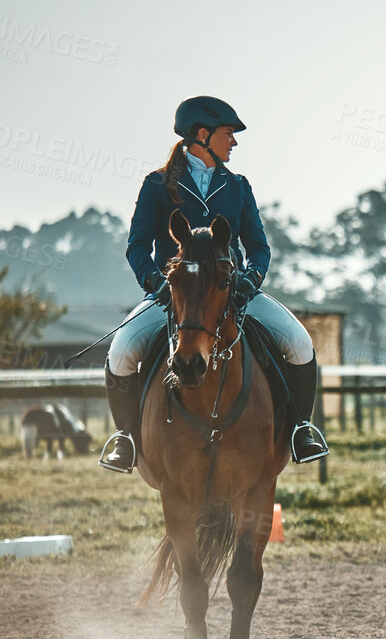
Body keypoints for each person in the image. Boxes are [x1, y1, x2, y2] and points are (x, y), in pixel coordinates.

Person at [100, 96, 328, 472]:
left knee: (300, 343)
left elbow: (258, 247)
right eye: (228, 134)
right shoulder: (157, 184)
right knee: (121, 353)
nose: (234, 142)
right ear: (202, 135)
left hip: (232, 292)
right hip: (173, 296)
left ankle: (301, 429)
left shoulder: (237, 185)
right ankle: (125, 436)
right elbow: (137, 246)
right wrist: (157, 284)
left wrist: (250, 280)